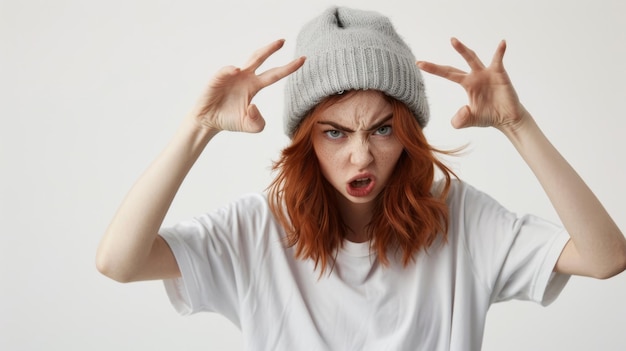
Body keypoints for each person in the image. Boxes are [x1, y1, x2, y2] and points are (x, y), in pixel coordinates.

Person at [96, 6, 626, 351]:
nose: (360, 156)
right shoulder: (256, 230)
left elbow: (606, 258)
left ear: (409, 133)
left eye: (381, 129)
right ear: (306, 140)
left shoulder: (459, 218)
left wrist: (518, 125)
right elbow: (119, 262)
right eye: (333, 133)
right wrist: (198, 128)